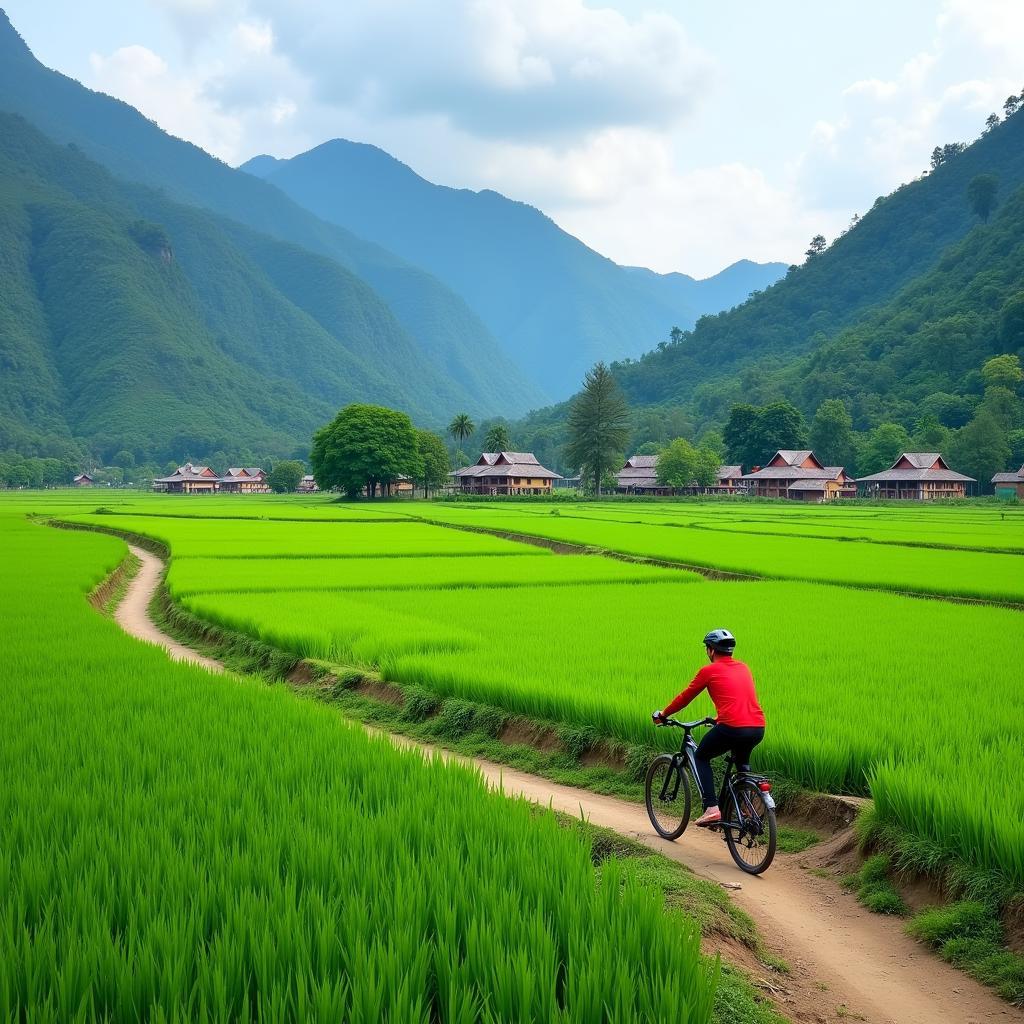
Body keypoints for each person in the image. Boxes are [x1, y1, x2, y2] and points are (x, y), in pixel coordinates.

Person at [652, 628, 765, 827]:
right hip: (756, 727)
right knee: (741, 764)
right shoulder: (744, 668)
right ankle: (747, 807)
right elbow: (739, 698)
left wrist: (663, 715)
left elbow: (685, 697)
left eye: (707, 648)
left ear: (711, 650)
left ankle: (712, 808)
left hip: (732, 727)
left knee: (701, 756)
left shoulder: (709, 671)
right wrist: (719, 717)